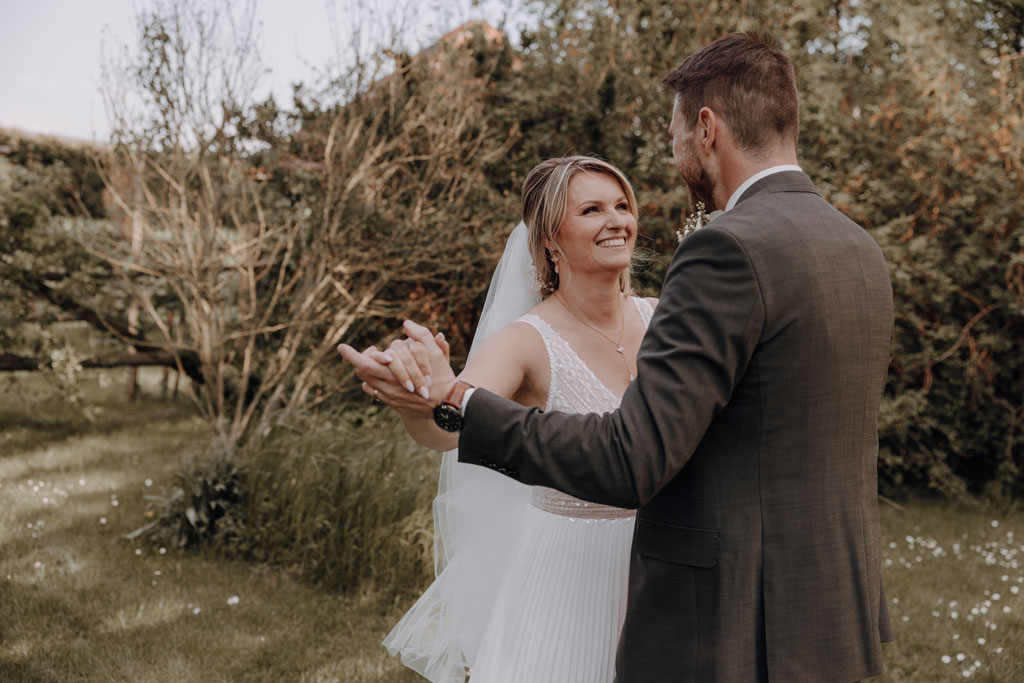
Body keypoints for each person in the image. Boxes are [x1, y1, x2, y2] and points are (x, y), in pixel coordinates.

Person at [344, 32, 895, 682]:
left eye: (674, 133)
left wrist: (459, 400)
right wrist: (428, 400)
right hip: (833, 607)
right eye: (591, 208)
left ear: (707, 130)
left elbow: (631, 457)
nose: (673, 151)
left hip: (739, 614)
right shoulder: (859, 249)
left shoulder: (724, 254)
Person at [343, 155, 659, 683]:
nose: (616, 220)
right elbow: (451, 426)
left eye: (622, 205)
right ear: (551, 240)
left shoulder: (664, 318)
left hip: (659, 564)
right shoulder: (525, 340)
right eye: (591, 209)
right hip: (568, 575)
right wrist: (414, 399)